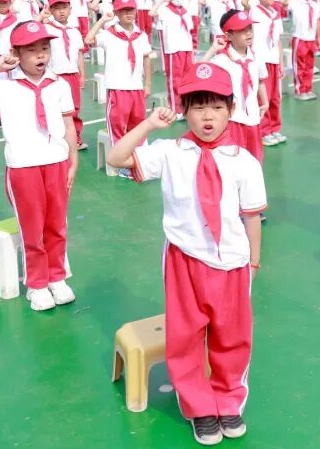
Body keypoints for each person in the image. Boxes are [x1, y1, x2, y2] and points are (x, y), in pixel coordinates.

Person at [106, 65, 265, 446]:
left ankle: (228, 401)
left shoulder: (244, 161)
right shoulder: (170, 152)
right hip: (184, 261)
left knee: (233, 338)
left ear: (231, 109)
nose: (208, 117)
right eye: (198, 107)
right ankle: (200, 408)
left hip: (232, 263)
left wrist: (254, 262)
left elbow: (251, 217)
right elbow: (116, 158)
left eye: (216, 107)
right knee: (186, 338)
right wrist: (149, 124)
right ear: (184, 110)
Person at [0, 21, 78, 312]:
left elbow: (68, 124)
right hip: (24, 167)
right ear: (16, 53)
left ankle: (57, 278)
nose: (41, 55)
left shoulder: (59, 84)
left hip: (56, 163)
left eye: (45, 48)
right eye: (32, 50)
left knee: (57, 225)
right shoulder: (2, 84)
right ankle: (37, 284)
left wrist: (73, 161)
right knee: (32, 230)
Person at [85, 0, 152, 152]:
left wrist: (148, 84)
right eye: (123, 10)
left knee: (139, 125)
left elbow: (146, 59)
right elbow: (88, 40)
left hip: (136, 88)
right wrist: (102, 20)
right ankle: (120, 158)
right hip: (117, 88)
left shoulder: (141, 35)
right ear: (115, 13)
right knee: (118, 126)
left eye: (131, 9)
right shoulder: (109, 34)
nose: (128, 14)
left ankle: (140, 156)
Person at [203, 10, 269, 158]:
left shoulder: (256, 57)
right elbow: (198, 72)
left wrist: (265, 102)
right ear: (228, 36)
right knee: (233, 161)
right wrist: (213, 49)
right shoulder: (221, 60)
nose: (249, 33)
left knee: (254, 161)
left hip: (253, 120)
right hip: (233, 121)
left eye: (249, 28)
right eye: (242, 30)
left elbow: (261, 81)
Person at [243, 0, 285, 145]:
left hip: (273, 60)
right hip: (260, 61)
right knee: (263, 97)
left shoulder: (276, 13)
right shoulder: (254, 9)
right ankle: (264, 130)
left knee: (275, 97)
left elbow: (278, 40)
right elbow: (244, 1)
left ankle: (275, 128)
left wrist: (281, 62)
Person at [44, 0, 88, 149]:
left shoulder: (74, 31)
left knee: (74, 108)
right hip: (55, 75)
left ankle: (75, 137)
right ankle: (57, 138)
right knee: (55, 108)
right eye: (56, 8)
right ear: (50, 10)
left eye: (64, 7)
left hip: (72, 74)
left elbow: (80, 54)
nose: (61, 11)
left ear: (70, 9)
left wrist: (82, 75)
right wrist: (41, 18)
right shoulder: (46, 29)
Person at [151, 0, 196, 116]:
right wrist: (161, 1)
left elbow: (190, 30)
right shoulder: (164, 10)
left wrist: (192, 48)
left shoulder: (186, 10)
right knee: (175, 80)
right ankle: (176, 108)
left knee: (188, 78)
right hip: (173, 49)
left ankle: (187, 104)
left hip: (186, 48)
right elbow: (151, 13)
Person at [282, 0, 320, 101]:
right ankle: (299, 90)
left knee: (309, 66)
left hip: (311, 39)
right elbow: (281, 1)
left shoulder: (314, 4)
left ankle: (308, 88)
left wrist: (318, 37)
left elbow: (317, 21)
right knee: (300, 66)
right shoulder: (295, 3)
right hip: (300, 39)